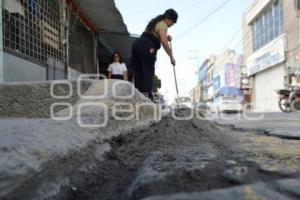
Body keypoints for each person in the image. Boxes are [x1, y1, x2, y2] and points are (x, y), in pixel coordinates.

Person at [131, 8, 178, 100]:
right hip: (147, 47)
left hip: (136, 45)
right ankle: (146, 99)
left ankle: (138, 98)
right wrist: (171, 57)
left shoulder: (154, 23)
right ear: (169, 19)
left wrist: (165, 37)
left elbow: (155, 35)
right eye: (173, 22)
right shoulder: (163, 24)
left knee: (139, 73)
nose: (172, 25)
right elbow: (164, 42)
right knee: (147, 72)